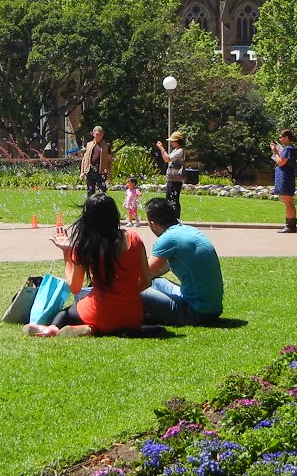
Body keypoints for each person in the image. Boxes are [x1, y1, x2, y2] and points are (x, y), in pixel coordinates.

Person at [27, 192, 150, 337]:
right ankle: (91, 328)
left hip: (100, 313)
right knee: (95, 310)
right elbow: (147, 281)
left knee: (64, 314)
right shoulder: (134, 238)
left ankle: (53, 329)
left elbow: (74, 287)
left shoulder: (85, 246)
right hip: (133, 317)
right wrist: (124, 293)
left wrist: (67, 252)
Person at [140, 197, 224, 325]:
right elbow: (157, 271)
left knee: (135, 291)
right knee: (155, 282)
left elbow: (144, 276)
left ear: (152, 224)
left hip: (196, 312)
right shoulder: (189, 230)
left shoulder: (167, 239)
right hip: (213, 309)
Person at [154, 131, 186, 222]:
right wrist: (162, 150)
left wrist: (162, 148)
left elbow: (168, 159)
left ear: (177, 141)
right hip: (172, 178)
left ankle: (175, 218)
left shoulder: (180, 151)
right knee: (169, 198)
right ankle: (171, 217)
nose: (171, 143)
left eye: (172, 141)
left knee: (174, 199)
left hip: (176, 179)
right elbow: (166, 159)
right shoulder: (175, 150)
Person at [273, 128, 297, 233]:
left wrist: (275, 151)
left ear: (286, 137)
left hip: (286, 177)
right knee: (287, 201)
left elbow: (281, 162)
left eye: (280, 137)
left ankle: (290, 226)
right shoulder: (287, 149)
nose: (279, 139)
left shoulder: (288, 149)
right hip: (285, 176)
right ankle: (290, 225)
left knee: (288, 201)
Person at [79, 125, 111, 198]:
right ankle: (90, 204)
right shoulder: (88, 145)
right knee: (90, 191)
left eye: (100, 135)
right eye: (97, 134)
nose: (98, 136)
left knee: (102, 192)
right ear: (93, 134)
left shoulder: (106, 146)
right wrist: (82, 172)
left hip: (101, 171)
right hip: (90, 170)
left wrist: (109, 173)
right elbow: (85, 159)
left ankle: (102, 204)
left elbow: (109, 160)